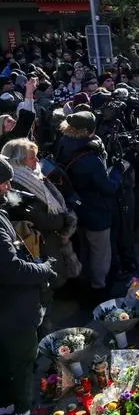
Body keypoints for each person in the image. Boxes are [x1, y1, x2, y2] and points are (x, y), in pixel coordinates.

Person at [0, 154, 57, 415]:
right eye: (5, 183)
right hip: (12, 306)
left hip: (6, 307)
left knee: (4, 360)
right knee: (22, 360)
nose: (8, 188)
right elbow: (9, 268)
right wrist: (44, 269)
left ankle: (5, 411)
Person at [1, 138, 78, 333]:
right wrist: (62, 220)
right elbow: (40, 219)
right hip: (37, 244)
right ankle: (47, 336)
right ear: (18, 161)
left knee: (50, 288)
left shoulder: (33, 176)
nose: (37, 163)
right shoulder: (17, 183)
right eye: (31, 159)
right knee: (44, 291)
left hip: (49, 239)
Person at [56, 111, 120, 295]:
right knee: (100, 253)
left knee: (83, 248)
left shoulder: (63, 143)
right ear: (90, 130)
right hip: (95, 211)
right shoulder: (89, 157)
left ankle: (82, 283)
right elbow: (108, 187)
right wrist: (118, 170)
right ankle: (99, 288)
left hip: (73, 207)